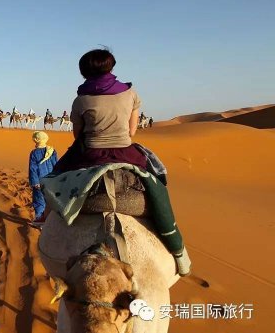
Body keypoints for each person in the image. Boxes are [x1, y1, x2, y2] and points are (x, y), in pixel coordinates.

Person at [50, 48, 190, 275]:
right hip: (126, 152)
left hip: (90, 153)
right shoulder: (131, 93)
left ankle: (45, 219)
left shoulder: (81, 99)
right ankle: (179, 253)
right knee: (157, 185)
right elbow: (132, 130)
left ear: (84, 72)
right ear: (111, 67)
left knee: (54, 179)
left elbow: (78, 135)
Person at [29, 131, 58, 227]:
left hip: (40, 181)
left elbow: (33, 168)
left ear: (35, 140)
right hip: (51, 180)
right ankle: (48, 222)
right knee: (49, 201)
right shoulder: (52, 150)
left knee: (39, 201)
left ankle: (39, 220)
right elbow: (56, 165)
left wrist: (35, 182)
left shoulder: (34, 153)